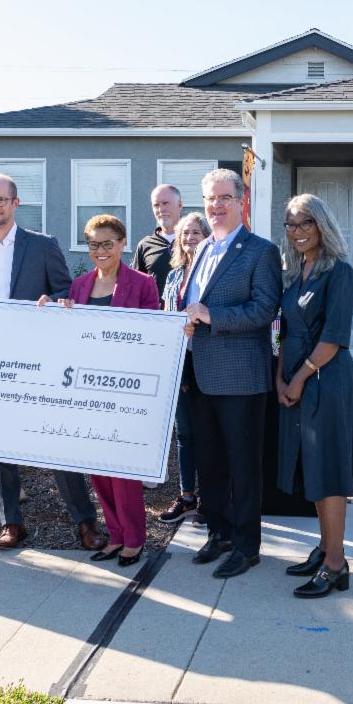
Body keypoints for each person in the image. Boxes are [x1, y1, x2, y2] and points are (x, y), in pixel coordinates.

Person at [0, 173, 107, 552]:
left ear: (15, 204)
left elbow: (64, 291)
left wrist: (54, 301)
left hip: (37, 361)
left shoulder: (42, 245)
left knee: (57, 445)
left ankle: (86, 522)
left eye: (0, 200)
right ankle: (12, 523)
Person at [44, 214, 161, 566]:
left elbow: (152, 336)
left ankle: (134, 538)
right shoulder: (79, 286)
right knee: (97, 468)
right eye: (94, 244)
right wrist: (51, 311)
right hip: (87, 390)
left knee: (123, 471)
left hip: (125, 391)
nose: (100, 250)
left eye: (107, 243)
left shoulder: (143, 284)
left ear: (123, 244)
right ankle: (115, 534)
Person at [183, 169, 281, 579]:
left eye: (224, 197)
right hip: (200, 373)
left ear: (241, 201)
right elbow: (191, 301)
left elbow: (265, 310)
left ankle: (246, 545)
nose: (216, 205)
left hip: (241, 375)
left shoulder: (260, 251)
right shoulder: (201, 248)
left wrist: (210, 315)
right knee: (211, 463)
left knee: (242, 465)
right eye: (210, 198)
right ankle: (220, 532)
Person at [277, 194, 353, 598]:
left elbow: (333, 338)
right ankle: (325, 548)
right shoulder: (297, 272)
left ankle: (336, 564)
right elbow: (285, 330)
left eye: (306, 224)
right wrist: (280, 376)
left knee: (329, 473)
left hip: (327, 383)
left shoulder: (339, 272)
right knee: (313, 469)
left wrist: (297, 379)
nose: (298, 232)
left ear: (322, 227)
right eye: (291, 225)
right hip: (298, 377)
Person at [157, 211, 209, 525]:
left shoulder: (212, 273)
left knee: (207, 434)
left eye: (195, 233)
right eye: (185, 234)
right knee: (185, 433)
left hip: (207, 361)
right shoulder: (175, 275)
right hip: (180, 362)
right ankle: (187, 495)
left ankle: (211, 498)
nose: (189, 239)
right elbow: (167, 314)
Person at [132, 183, 183, 294]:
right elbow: (135, 285)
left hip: (188, 311)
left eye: (165, 203)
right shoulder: (145, 245)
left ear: (179, 205)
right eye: (156, 205)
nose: (161, 209)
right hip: (155, 311)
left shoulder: (194, 240)